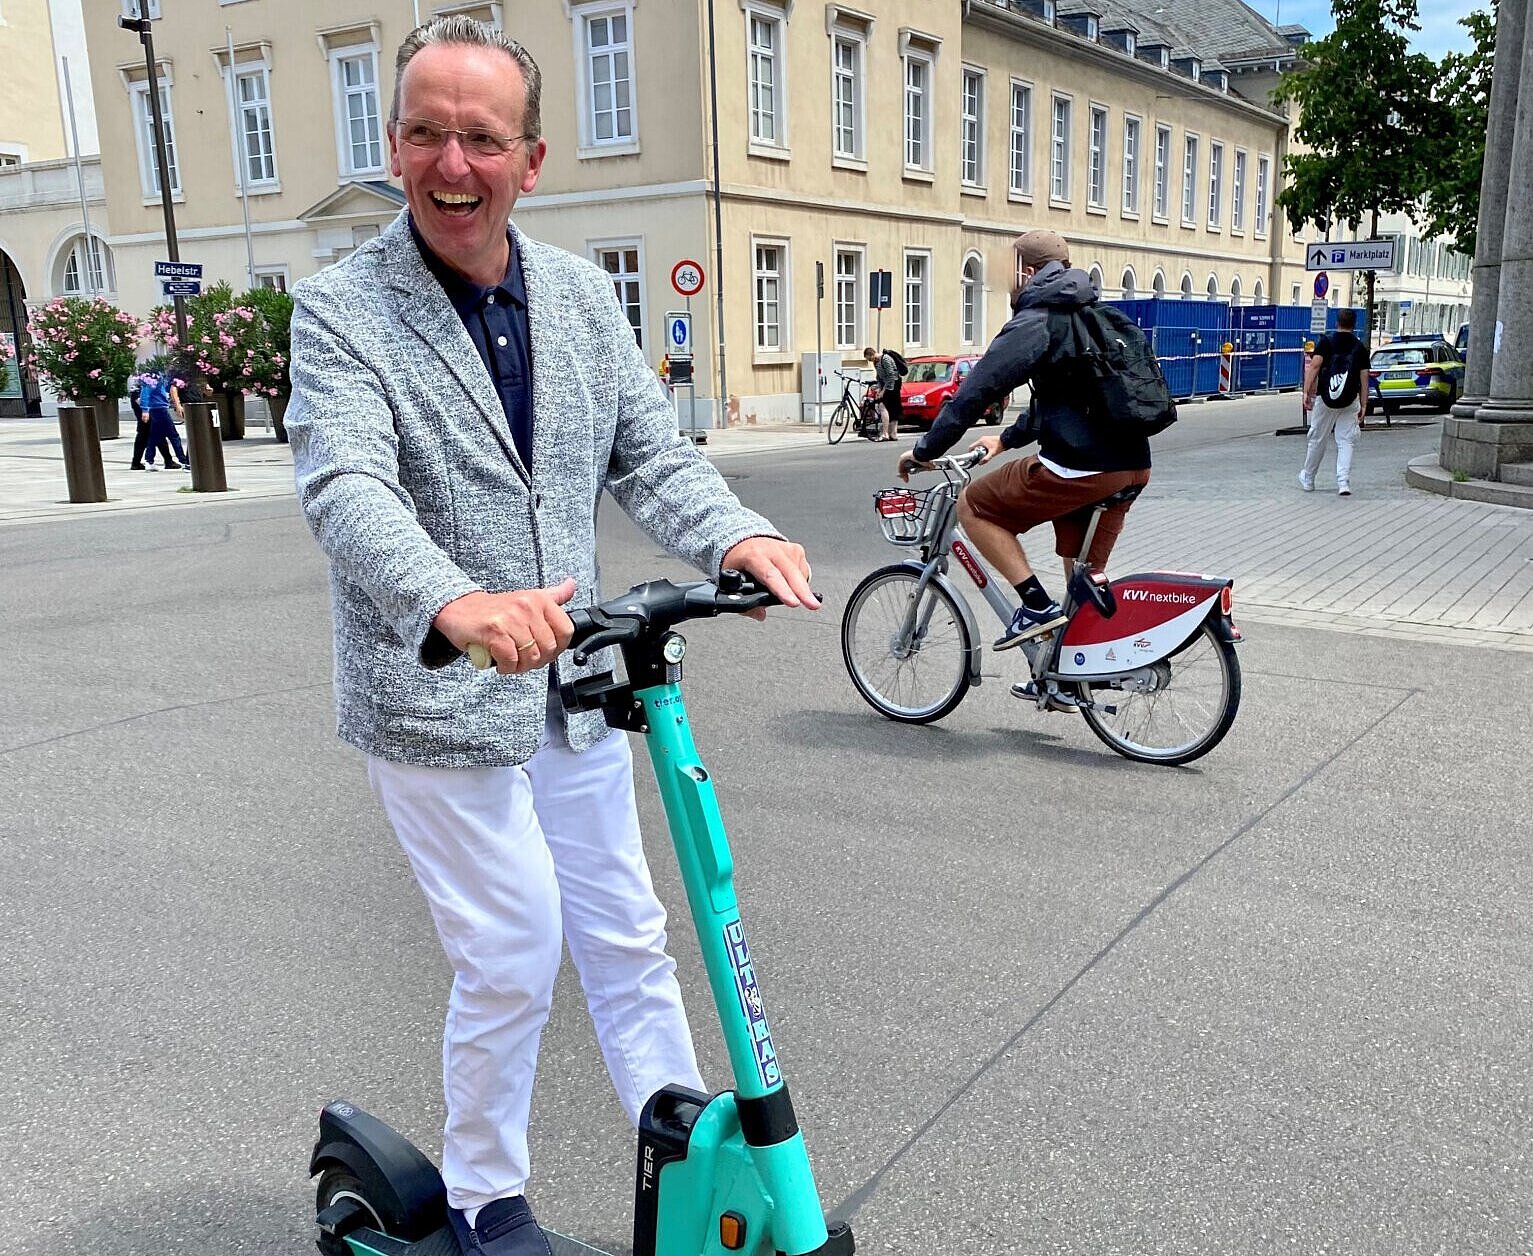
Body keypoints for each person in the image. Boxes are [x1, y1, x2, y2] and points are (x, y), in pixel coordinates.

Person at [285, 17, 817, 1256]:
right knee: (519, 941)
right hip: (434, 693)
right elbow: (346, 486)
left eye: (480, 137)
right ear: (394, 144)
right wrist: (452, 601)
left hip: (572, 680)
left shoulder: (579, 295)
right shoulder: (343, 308)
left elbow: (651, 452)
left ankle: (688, 1172)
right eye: (425, 132)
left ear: (532, 159)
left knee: (628, 928)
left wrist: (733, 536)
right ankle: (483, 1198)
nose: (450, 164)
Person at [897, 229, 1151, 652]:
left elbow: (974, 392)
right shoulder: (1094, 314)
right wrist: (1007, 439)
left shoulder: (1036, 320)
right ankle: (1070, 673)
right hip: (1131, 466)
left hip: (1080, 467)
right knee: (1081, 576)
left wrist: (926, 451)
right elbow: (1065, 400)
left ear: (1027, 271)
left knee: (973, 504)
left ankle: (1035, 606)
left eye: (1009, 270)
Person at [1300, 307, 1368, 496]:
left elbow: (1314, 367)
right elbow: (1364, 378)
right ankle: (1343, 482)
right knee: (1346, 441)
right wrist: (1364, 404)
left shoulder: (1326, 342)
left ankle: (1309, 478)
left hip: (1326, 398)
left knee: (1317, 438)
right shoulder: (1360, 347)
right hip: (1350, 399)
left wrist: (1306, 393)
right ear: (1354, 325)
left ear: (1337, 322)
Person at [134, 370, 188, 471]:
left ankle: (149, 461)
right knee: (173, 436)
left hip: (156, 410)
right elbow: (146, 393)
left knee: (155, 436)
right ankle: (184, 461)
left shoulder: (157, 379)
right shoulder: (155, 379)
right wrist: (145, 410)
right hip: (160, 409)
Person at [863, 346, 901, 441]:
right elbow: (879, 377)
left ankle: (886, 434)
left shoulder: (885, 359)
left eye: (869, 358)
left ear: (871, 354)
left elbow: (891, 376)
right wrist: (879, 389)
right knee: (891, 408)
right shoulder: (876, 362)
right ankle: (892, 434)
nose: (870, 361)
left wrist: (884, 391)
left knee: (882, 406)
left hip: (894, 384)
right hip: (887, 384)